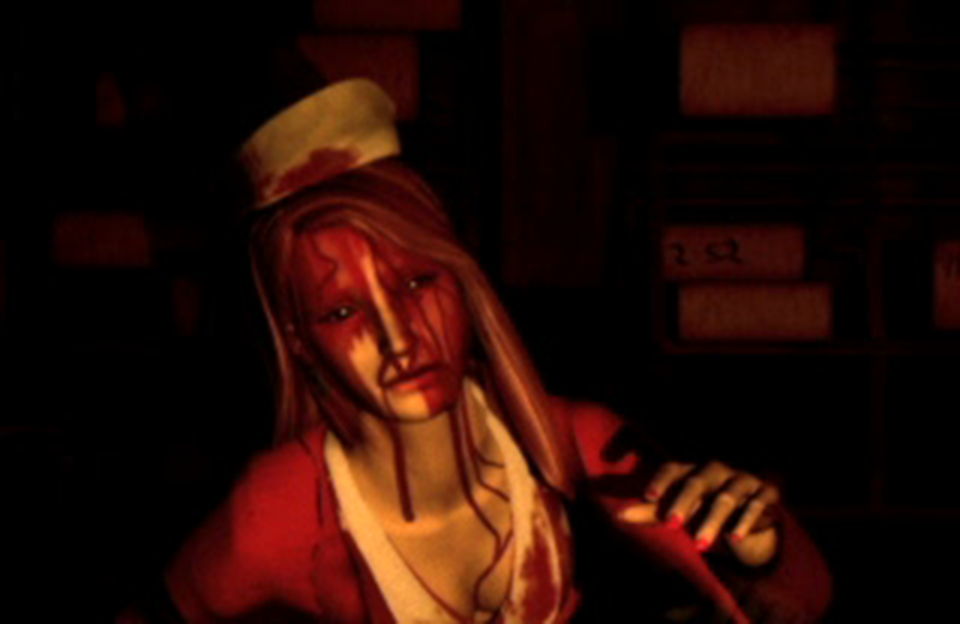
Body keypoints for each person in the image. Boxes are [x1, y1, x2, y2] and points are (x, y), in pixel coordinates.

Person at [160, 79, 832, 622]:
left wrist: (760, 549)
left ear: (462, 279)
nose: (399, 338)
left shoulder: (575, 443)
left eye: (418, 282)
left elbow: (797, 602)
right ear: (300, 342)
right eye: (343, 312)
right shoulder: (272, 515)